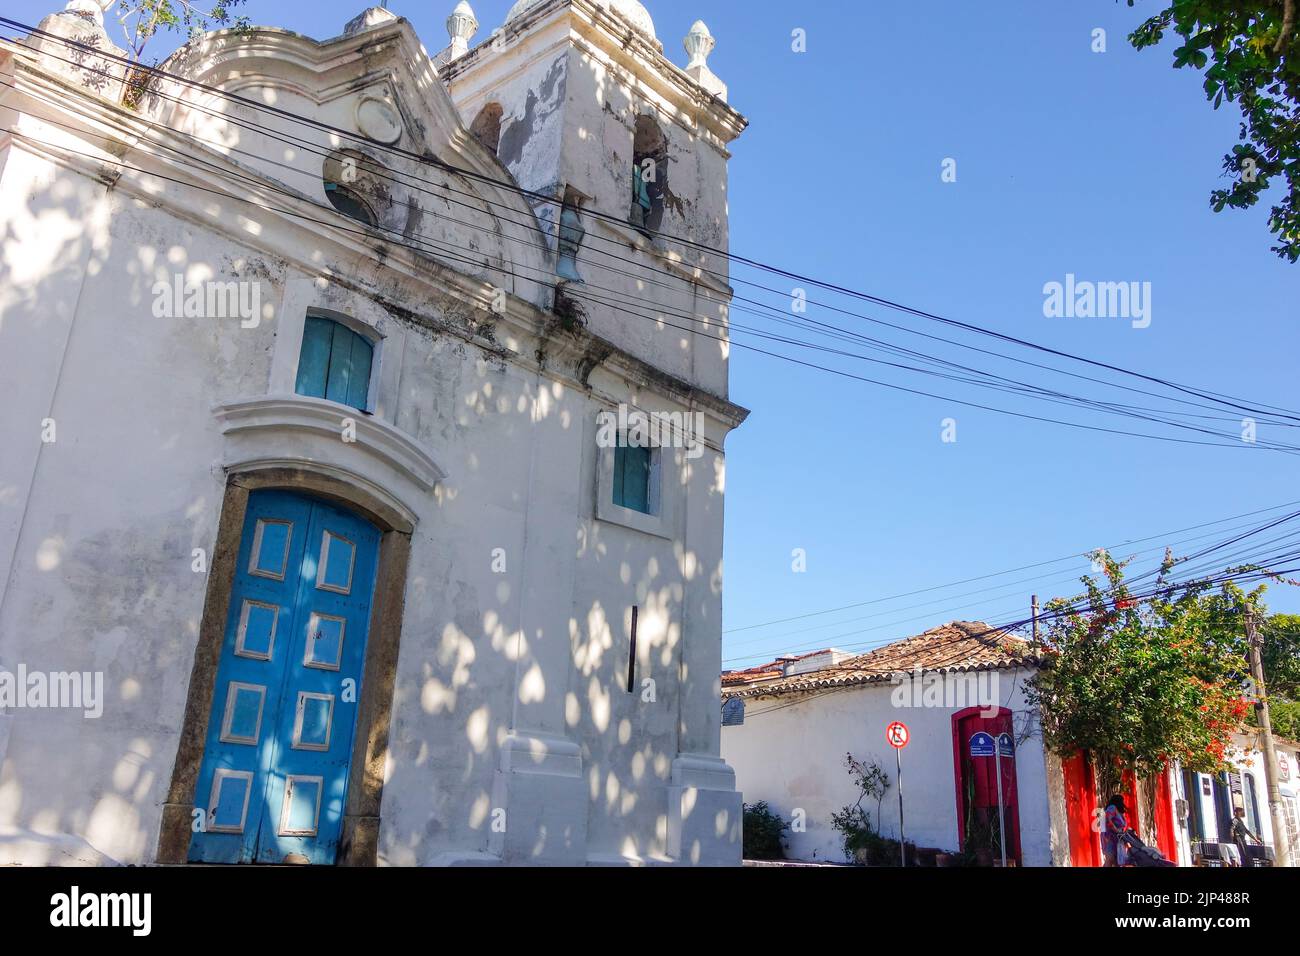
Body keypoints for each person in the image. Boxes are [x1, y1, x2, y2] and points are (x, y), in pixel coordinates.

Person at [1101, 794, 1129, 867]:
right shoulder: (1112, 808)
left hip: (1118, 838)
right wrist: (1116, 830)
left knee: (1118, 861)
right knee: (1110, 858)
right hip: (1110, 837)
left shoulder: (1119, 812)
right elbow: (1107, 820)